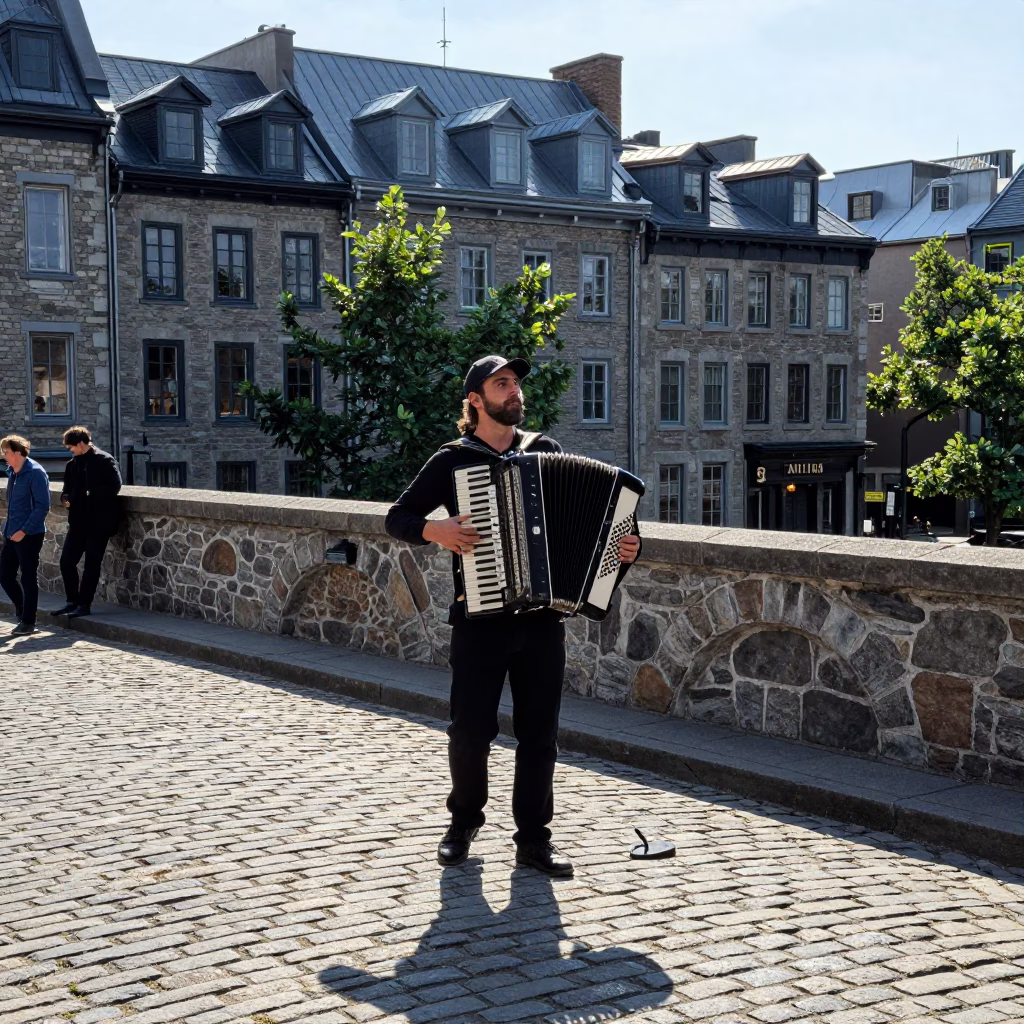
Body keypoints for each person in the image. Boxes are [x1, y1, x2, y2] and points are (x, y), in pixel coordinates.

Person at [385, 355, 640, 877]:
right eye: (502, 384)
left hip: (543, 621)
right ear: (475, 400)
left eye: (516, 383)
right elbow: (398, 517)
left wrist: (628, 547)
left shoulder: (544, 452)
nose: (514, 391)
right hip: (479, 622)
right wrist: (437, 532)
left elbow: (598, 527)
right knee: (470, 731)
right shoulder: (451, 461)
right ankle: (463, 822)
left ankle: (534, 840)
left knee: (540, 736)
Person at [54, 426, 122, 619]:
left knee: (92, 564)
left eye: (72, 447)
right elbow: (66, 489)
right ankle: (72, 601)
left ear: (81, 443)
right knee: (66, 562)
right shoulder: (72, 465)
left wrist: (89, 494)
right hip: (77, 523)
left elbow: (114, 486)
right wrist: (65, 499)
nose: (71, 451)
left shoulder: (104, 460)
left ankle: (84, 604)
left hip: (99, 523)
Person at [1, 434, 51, 636]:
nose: (4, 456)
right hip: (12, 533)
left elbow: (42, 507)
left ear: (18, 452)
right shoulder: (12, 472)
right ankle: (23, 611)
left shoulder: (35, 473)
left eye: (6, 452)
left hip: (29, 534)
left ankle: (29, 622)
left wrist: (24, 530)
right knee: (4, 575)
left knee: (28, 578)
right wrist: (10, 530)